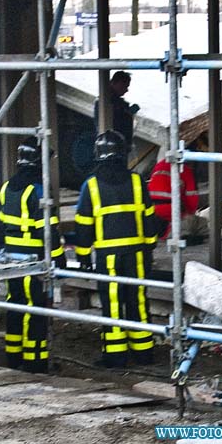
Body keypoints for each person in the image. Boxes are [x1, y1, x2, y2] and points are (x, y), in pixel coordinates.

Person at [75, 130, 157, 368]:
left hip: (107, 256)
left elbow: (83, 226)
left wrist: (83, 256)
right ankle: (144, 353)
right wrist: (150, 247)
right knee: (138, 301)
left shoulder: (90, 186)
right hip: (137, 254)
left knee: (112, 304)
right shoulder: (137, 181)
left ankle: (115, 356)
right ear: (123, 153)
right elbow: (149, 217)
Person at [0, 137, 65, 374]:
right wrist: (58, 258)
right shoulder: (36, 190)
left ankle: (13, 357)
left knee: (14, 305)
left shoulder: (7, 187)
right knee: (34, 310)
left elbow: (3, 223)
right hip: (32, 260)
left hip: (10, 260)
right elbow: (48, 230)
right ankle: (35, 361)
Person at [147, 138, 207, 243]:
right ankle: (178, 235)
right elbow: (191, 199)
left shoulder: (159, 165)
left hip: (152, 211)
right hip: (170, 210)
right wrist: (189, 215)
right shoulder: (185, 170)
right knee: (200, 224)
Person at [93, 71, 140, 152]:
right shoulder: (105, 102)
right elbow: (117, 122)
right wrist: (127, 113)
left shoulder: (118, 103)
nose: (126, 90)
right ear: (114, 83)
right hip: (113, 146)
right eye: (124, 86)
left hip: (119, 145)